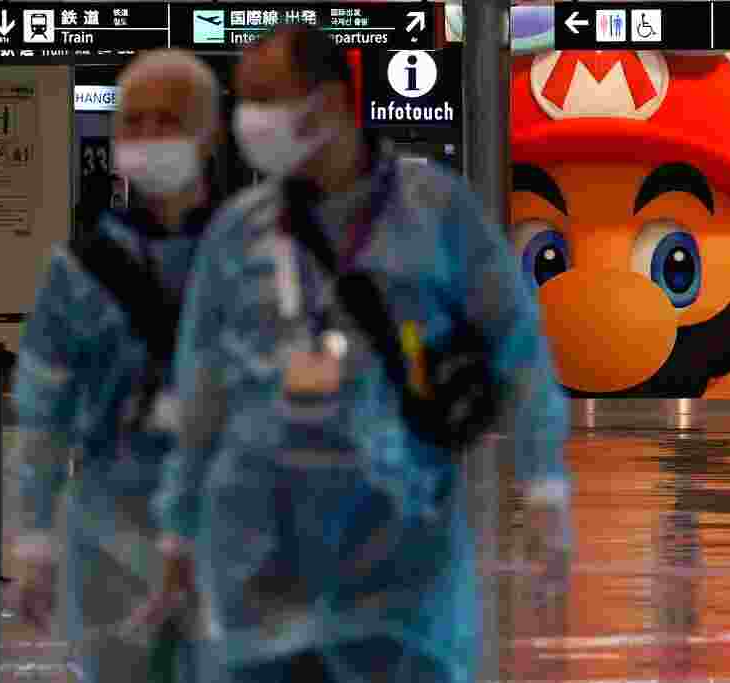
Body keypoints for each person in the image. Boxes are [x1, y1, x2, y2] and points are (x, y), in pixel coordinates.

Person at [150, 25, 572, 683]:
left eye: (268, 98)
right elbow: (199, 388)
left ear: (330, 103)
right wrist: (177, 529)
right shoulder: (238, 235)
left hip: (400, 560)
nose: (249, 120)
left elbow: (517, 343)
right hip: (260, 559)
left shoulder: (435, 213)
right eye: (243, 101)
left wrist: (542, 483)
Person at [8, 49, 223, 683]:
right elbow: (42, 409)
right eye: (135, 122)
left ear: (207, 135)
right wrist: (34, 536)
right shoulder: (79, 270)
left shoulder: (249, 256)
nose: (151, 136)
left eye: (170, 120)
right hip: (110, 533)